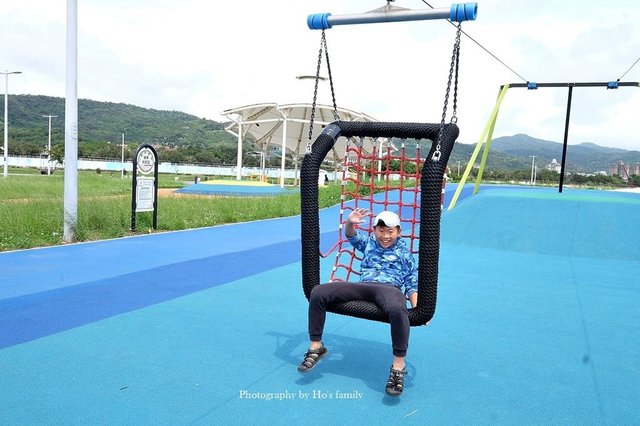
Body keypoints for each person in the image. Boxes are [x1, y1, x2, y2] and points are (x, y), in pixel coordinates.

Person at [298, 208, 418, 397]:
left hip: (389, 289)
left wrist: (419, 309)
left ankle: (398, 366)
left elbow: (411, 282)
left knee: (397, 308)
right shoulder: (369, 243)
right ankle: (316, 347)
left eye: (390, 231)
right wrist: (350, 222)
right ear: (374, 230)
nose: (385, 236)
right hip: (363, 286)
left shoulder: (404, 253)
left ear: (398, 231)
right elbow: (351, 236)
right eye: (381, 230)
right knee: (318, 292)